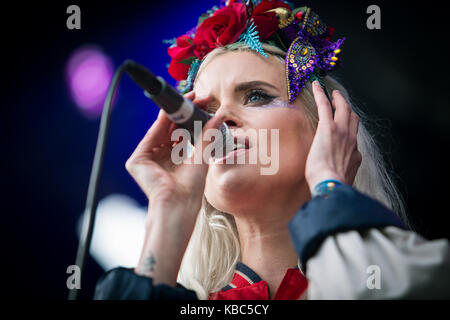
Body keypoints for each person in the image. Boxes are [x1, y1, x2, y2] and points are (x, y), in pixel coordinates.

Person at [94, 0, 450, 300]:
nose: (220, 122)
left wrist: (329, 186)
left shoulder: (405, 266)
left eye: (256, 96)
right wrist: (171, 206)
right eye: (207, 111)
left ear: (326, 126)